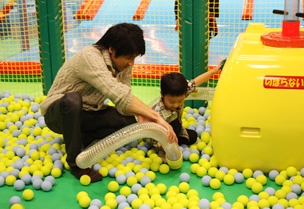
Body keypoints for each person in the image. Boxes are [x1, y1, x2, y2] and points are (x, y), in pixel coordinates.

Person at [40, 23, 177, 183]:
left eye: (134, 57)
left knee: (129, 121)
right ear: (112, 49)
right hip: (58, 114)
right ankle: (76, 163)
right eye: (128, 57)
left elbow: (122, 104)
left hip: (87, 113)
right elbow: (117, 94)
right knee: (72, 100)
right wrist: (156, 117)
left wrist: (142, 116)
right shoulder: (90, 57)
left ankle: (82, 137)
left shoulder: (124, 65)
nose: (131, 63)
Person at [144, 60, 224, 161]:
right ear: (162, 95)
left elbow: (196, 82)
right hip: (157, 136)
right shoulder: (158, 113)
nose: (176, 105)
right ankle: (162, 151)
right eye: (172, 102)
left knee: (193, 137)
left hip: (174, 128)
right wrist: (167, 147)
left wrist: (214, 71)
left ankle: (175, 137)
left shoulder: (181, 92)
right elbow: (151, 134)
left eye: (180, 101)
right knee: (175, 127)